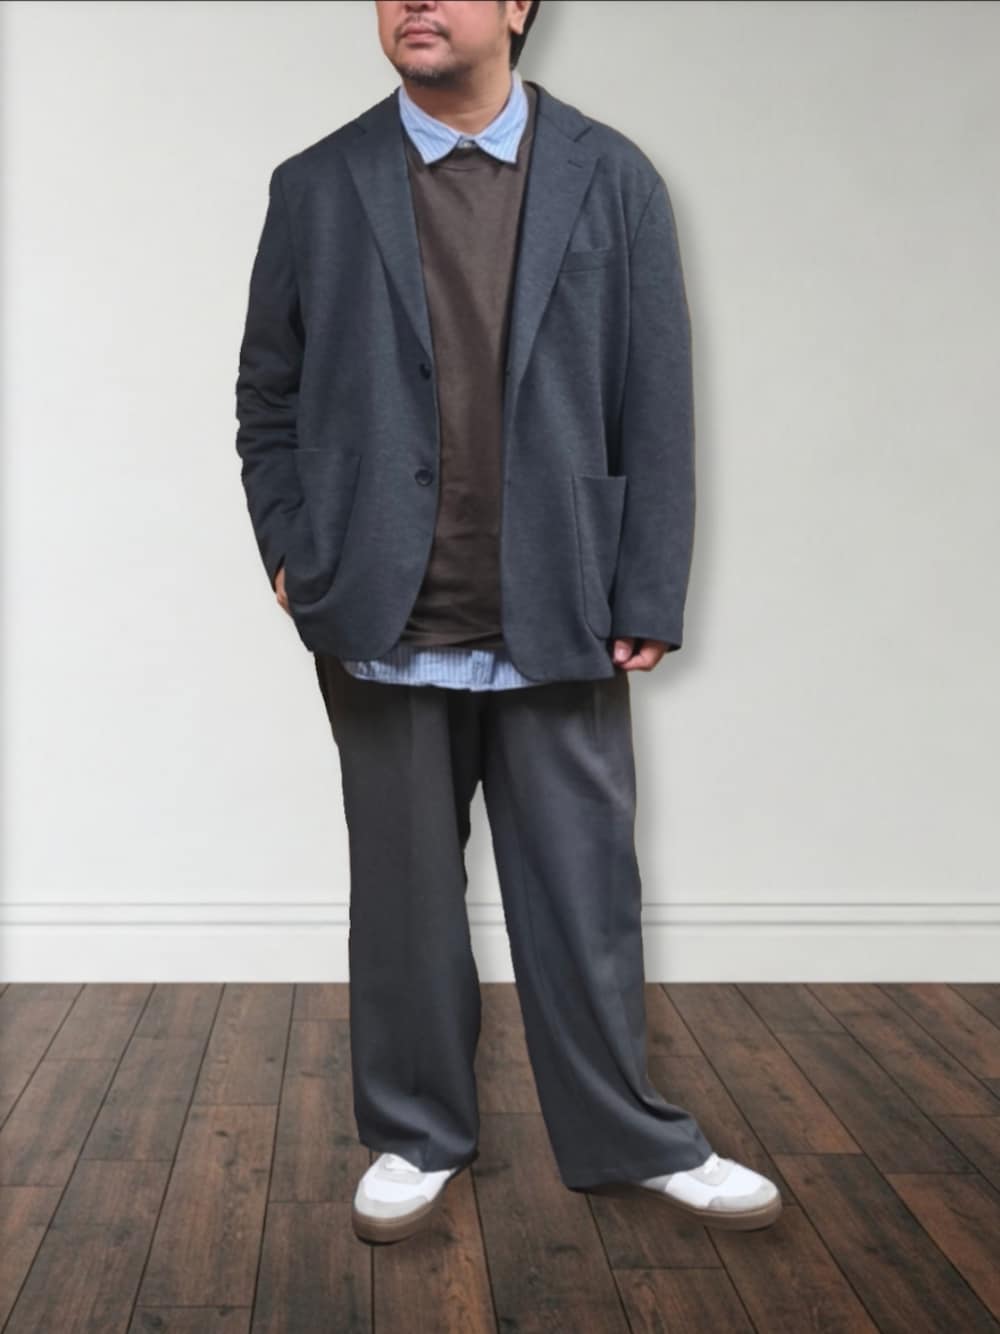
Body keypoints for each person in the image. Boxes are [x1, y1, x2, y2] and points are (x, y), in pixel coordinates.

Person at [235, 0, 782, 1244]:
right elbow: (267, 391)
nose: (413, 3)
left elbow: (657, 396)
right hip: (381, 605)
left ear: (520, 6)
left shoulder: (613, 175)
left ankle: (634, 1138)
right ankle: (416, 1133)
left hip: (560, 598)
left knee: (585, 897)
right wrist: (291, 546)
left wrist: (648, 586)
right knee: (405, 903)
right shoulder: (317, 184)